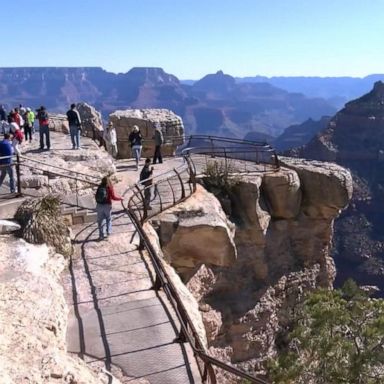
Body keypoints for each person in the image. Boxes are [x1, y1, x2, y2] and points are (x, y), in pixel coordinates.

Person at [95, 176, 123, 240]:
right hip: (107, 205)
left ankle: (101, 235)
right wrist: (120, 198)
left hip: (99, 205)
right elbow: (113, 197)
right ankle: (108, 233)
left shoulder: (100, 187)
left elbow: (96, 196)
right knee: (108, 219)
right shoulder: (109, 187)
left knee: (100, 221)